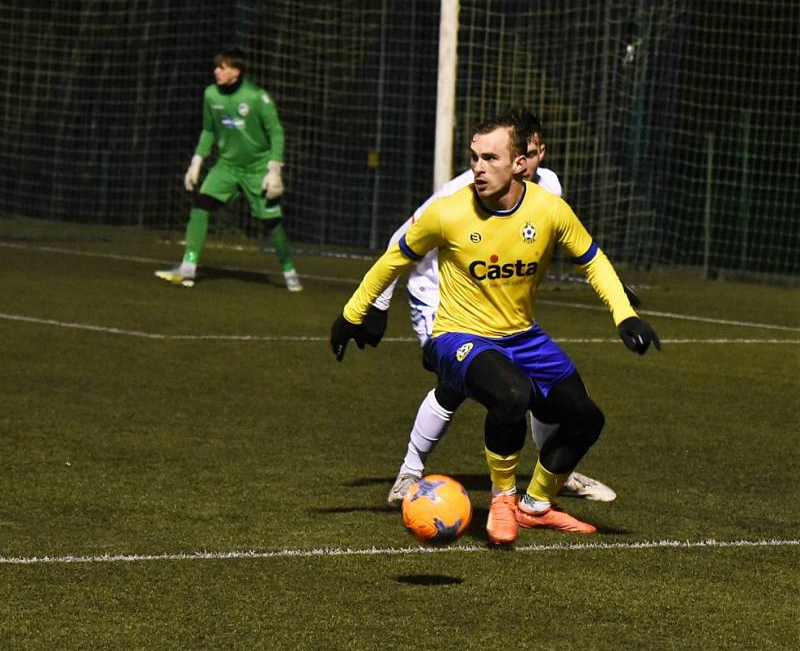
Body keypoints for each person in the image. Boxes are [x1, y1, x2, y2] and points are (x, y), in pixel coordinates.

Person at [330, 108, 660, 545]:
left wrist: (625, 314)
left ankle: (536, 506)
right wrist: (354, 314)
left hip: (522, 335)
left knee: (585, 419)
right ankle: (502, 499)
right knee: (511, 394)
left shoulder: (549, 208)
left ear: (521, 163)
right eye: (474, 158)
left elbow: (592, 260)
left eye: (490, 158)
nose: (478, 168)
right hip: (455, 335)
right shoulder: (448, 211)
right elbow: (393, 258)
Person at [368, 112, 616, 508]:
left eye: (533, 154)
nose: (528, 163)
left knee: (534, 382)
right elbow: (400, 239)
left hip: (497, 300)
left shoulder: (547, 187)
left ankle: (555, 473)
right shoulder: (464, 190)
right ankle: (408, 475)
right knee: (457, 385)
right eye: (523, 154)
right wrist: (377, 305)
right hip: (436, 294)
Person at [156, 47, 302, 292]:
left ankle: (289, 270)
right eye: (216, 66)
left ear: (236, 71)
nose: (216, 71)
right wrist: (196, 162)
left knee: (272, 224)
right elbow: (208, 130)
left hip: (257, 169)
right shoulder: (211, 95)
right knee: (201, 206)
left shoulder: (257, 97)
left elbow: (276, 132)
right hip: (226, 167)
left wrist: (274, 169)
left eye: (221, 67)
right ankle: (188, 268)